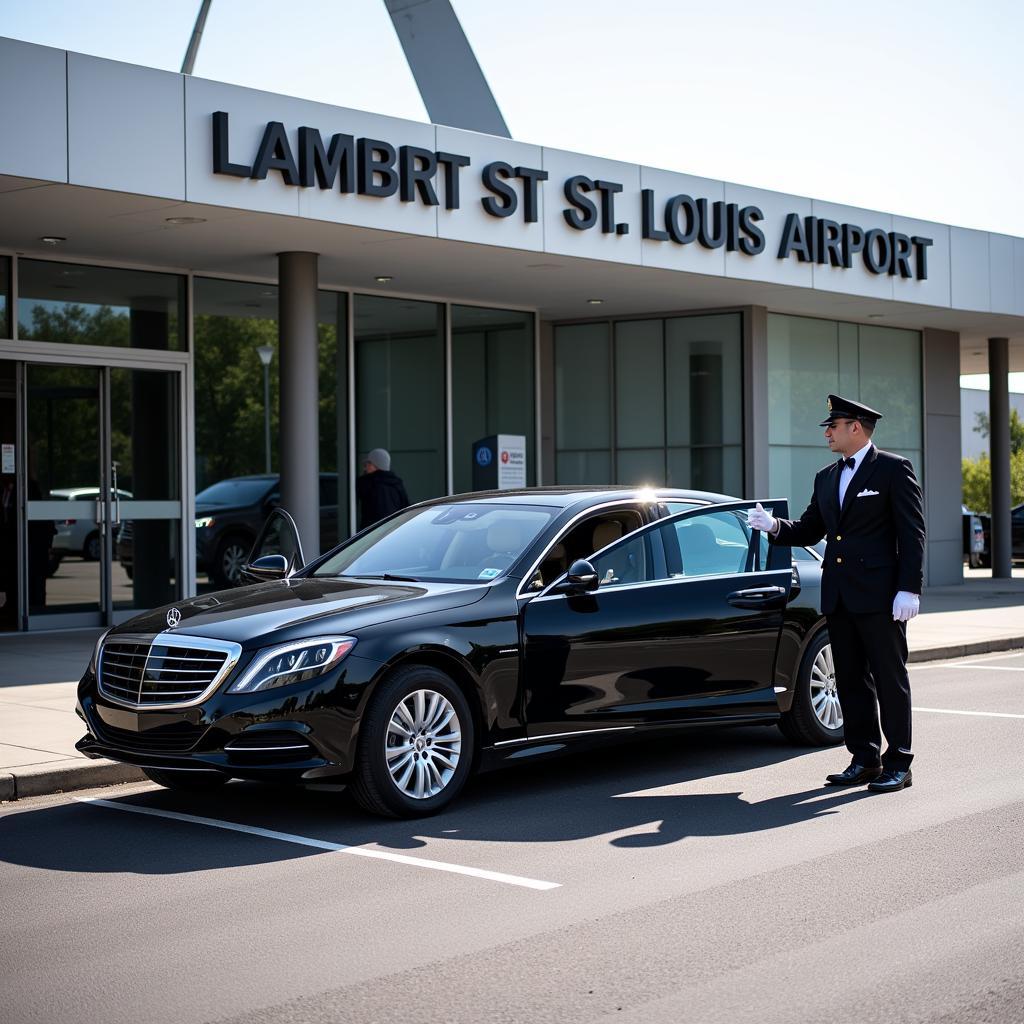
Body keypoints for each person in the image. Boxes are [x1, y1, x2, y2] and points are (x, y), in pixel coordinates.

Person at [748, 394, 925, 794]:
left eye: (833, 425)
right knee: (850, 681)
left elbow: (912, 534)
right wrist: (773, 526)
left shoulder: (893, 470)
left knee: (889, 679)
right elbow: (810, 529)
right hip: (839, 597)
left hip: (882, 597)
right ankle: (863, 758)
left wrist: (908, 589)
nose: (827, 432)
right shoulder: (827, 476)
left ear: (856, 428)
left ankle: (899, 762)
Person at [356, 447, 410, 531]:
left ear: (374, 464)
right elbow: (405, 507)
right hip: (393, 530)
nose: (365, 468)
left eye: (367, 464)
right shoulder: (397, 483)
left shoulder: (367, 483)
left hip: (371, 532)